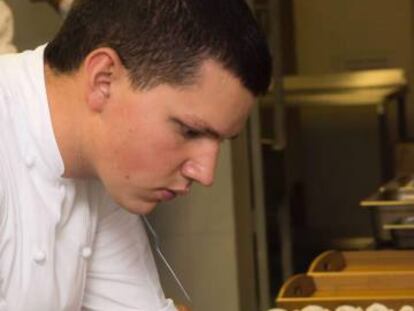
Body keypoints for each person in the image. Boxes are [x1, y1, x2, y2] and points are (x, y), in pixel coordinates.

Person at [0, 0, 272, 310]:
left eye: (220, 141)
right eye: (190, 131)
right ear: (104, 79)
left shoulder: (100, 163)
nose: (205, 173)